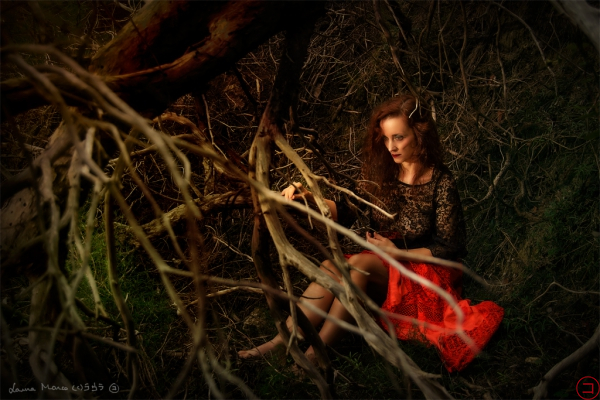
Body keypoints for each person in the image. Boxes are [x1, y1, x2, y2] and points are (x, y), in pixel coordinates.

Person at [238, 94, 504, 372]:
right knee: (330, 267)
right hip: (384, 264)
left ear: (420, 133)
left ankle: (316, 358)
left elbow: (450, 247)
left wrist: (398, 253)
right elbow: (346, 211)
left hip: (425, 271)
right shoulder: (381, 173)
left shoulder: (441, 182)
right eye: (386, 138)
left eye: (399, 137)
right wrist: (307, 197)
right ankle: (282, 341)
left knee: (359, 265)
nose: (391, 147)